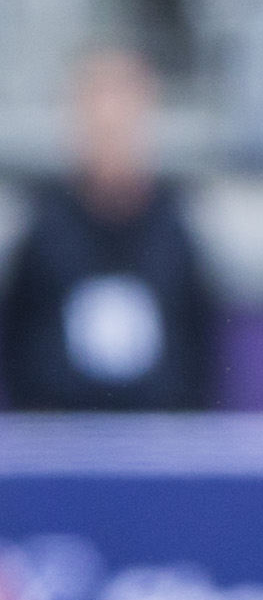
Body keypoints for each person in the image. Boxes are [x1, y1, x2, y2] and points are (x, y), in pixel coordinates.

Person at [2, 47, 217, 411]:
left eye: (122, 115)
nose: (110, 129)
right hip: (60, 444)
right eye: (98, 115)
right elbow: (17, 343)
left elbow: (200, 347)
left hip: (155, 443)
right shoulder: (44, 229)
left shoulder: (174, 229)